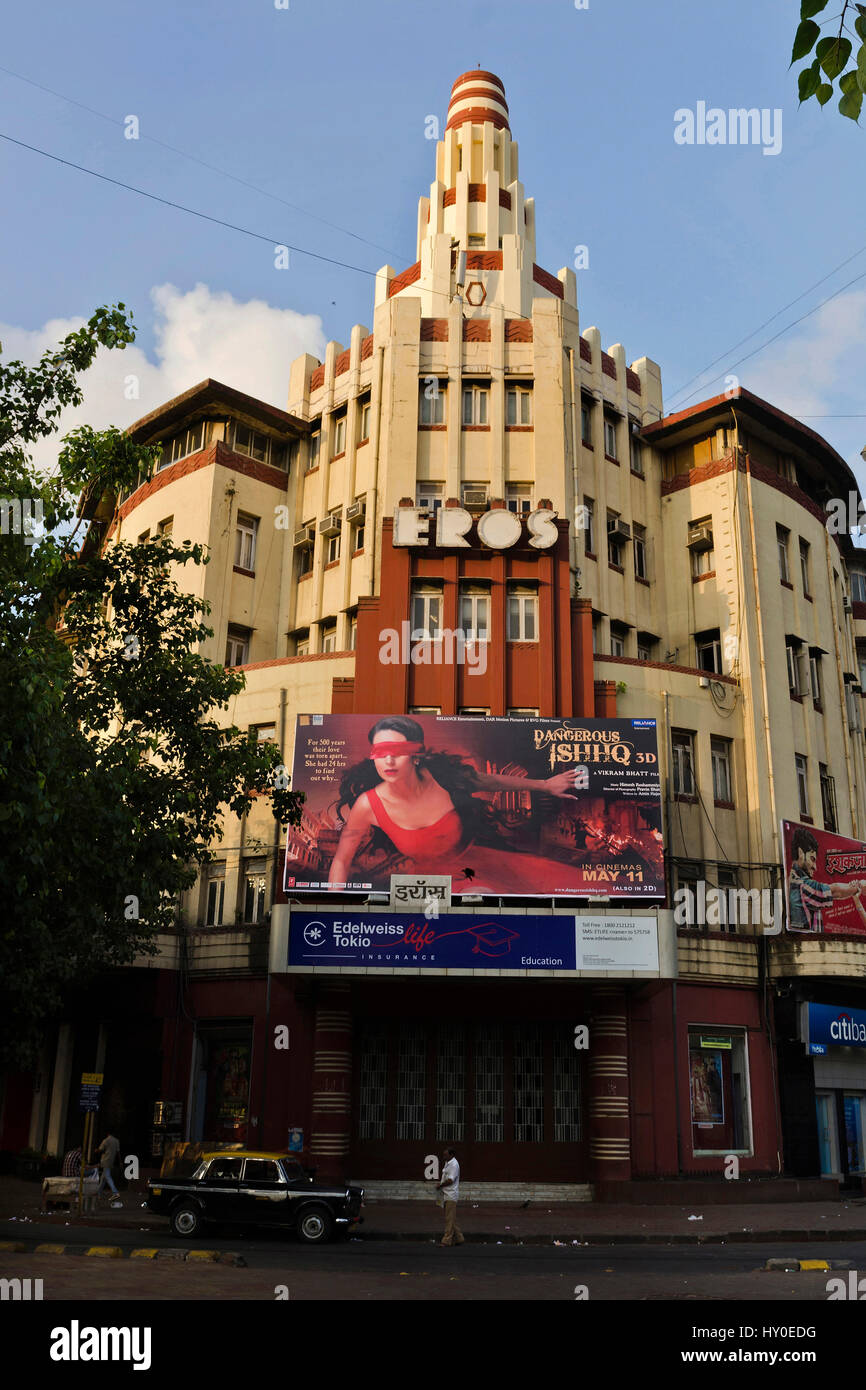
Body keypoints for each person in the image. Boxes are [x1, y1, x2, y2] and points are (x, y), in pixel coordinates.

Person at [328, 716, 584, 888]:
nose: (389, 761)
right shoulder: (368, 804)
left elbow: (492, 782)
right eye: (380, 753)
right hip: (429, 885)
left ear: (416, 756)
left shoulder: (443, 776)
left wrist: (546, 785)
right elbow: (341, 860)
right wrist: (335, 909)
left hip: (482, 867)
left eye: (399, 752)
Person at [788, 827, 866, 932]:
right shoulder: (801, 885)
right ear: (801, 853)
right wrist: (858, 885)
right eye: (812, 859)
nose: (815, 867)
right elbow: (835, 891)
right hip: (808, 944)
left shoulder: (794, 881)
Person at [437, 1146, 464, 1247]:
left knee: (449, 1219)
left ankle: (446, 1240)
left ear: (451, 1155)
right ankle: (459, 1238)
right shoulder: (448, 1163)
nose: (443, 1156)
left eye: (445, 1154)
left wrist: (440, 1185)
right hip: (446, 1194)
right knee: (451, 1218)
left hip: (451, 1194)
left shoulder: (453, 1165)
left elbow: (450, 1180)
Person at [95, 1131, 121, 1202]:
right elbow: (118, 1152)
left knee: (107, 1176)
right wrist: (120, 1162)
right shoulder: (116, 1141)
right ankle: (98, 1194)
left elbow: (101, 1149)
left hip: (105, 1160)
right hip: (111, 1161)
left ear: (108, 1134)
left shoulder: (106, 1140)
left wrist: (96, 1150)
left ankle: (115, 1192)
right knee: (103, 1179)